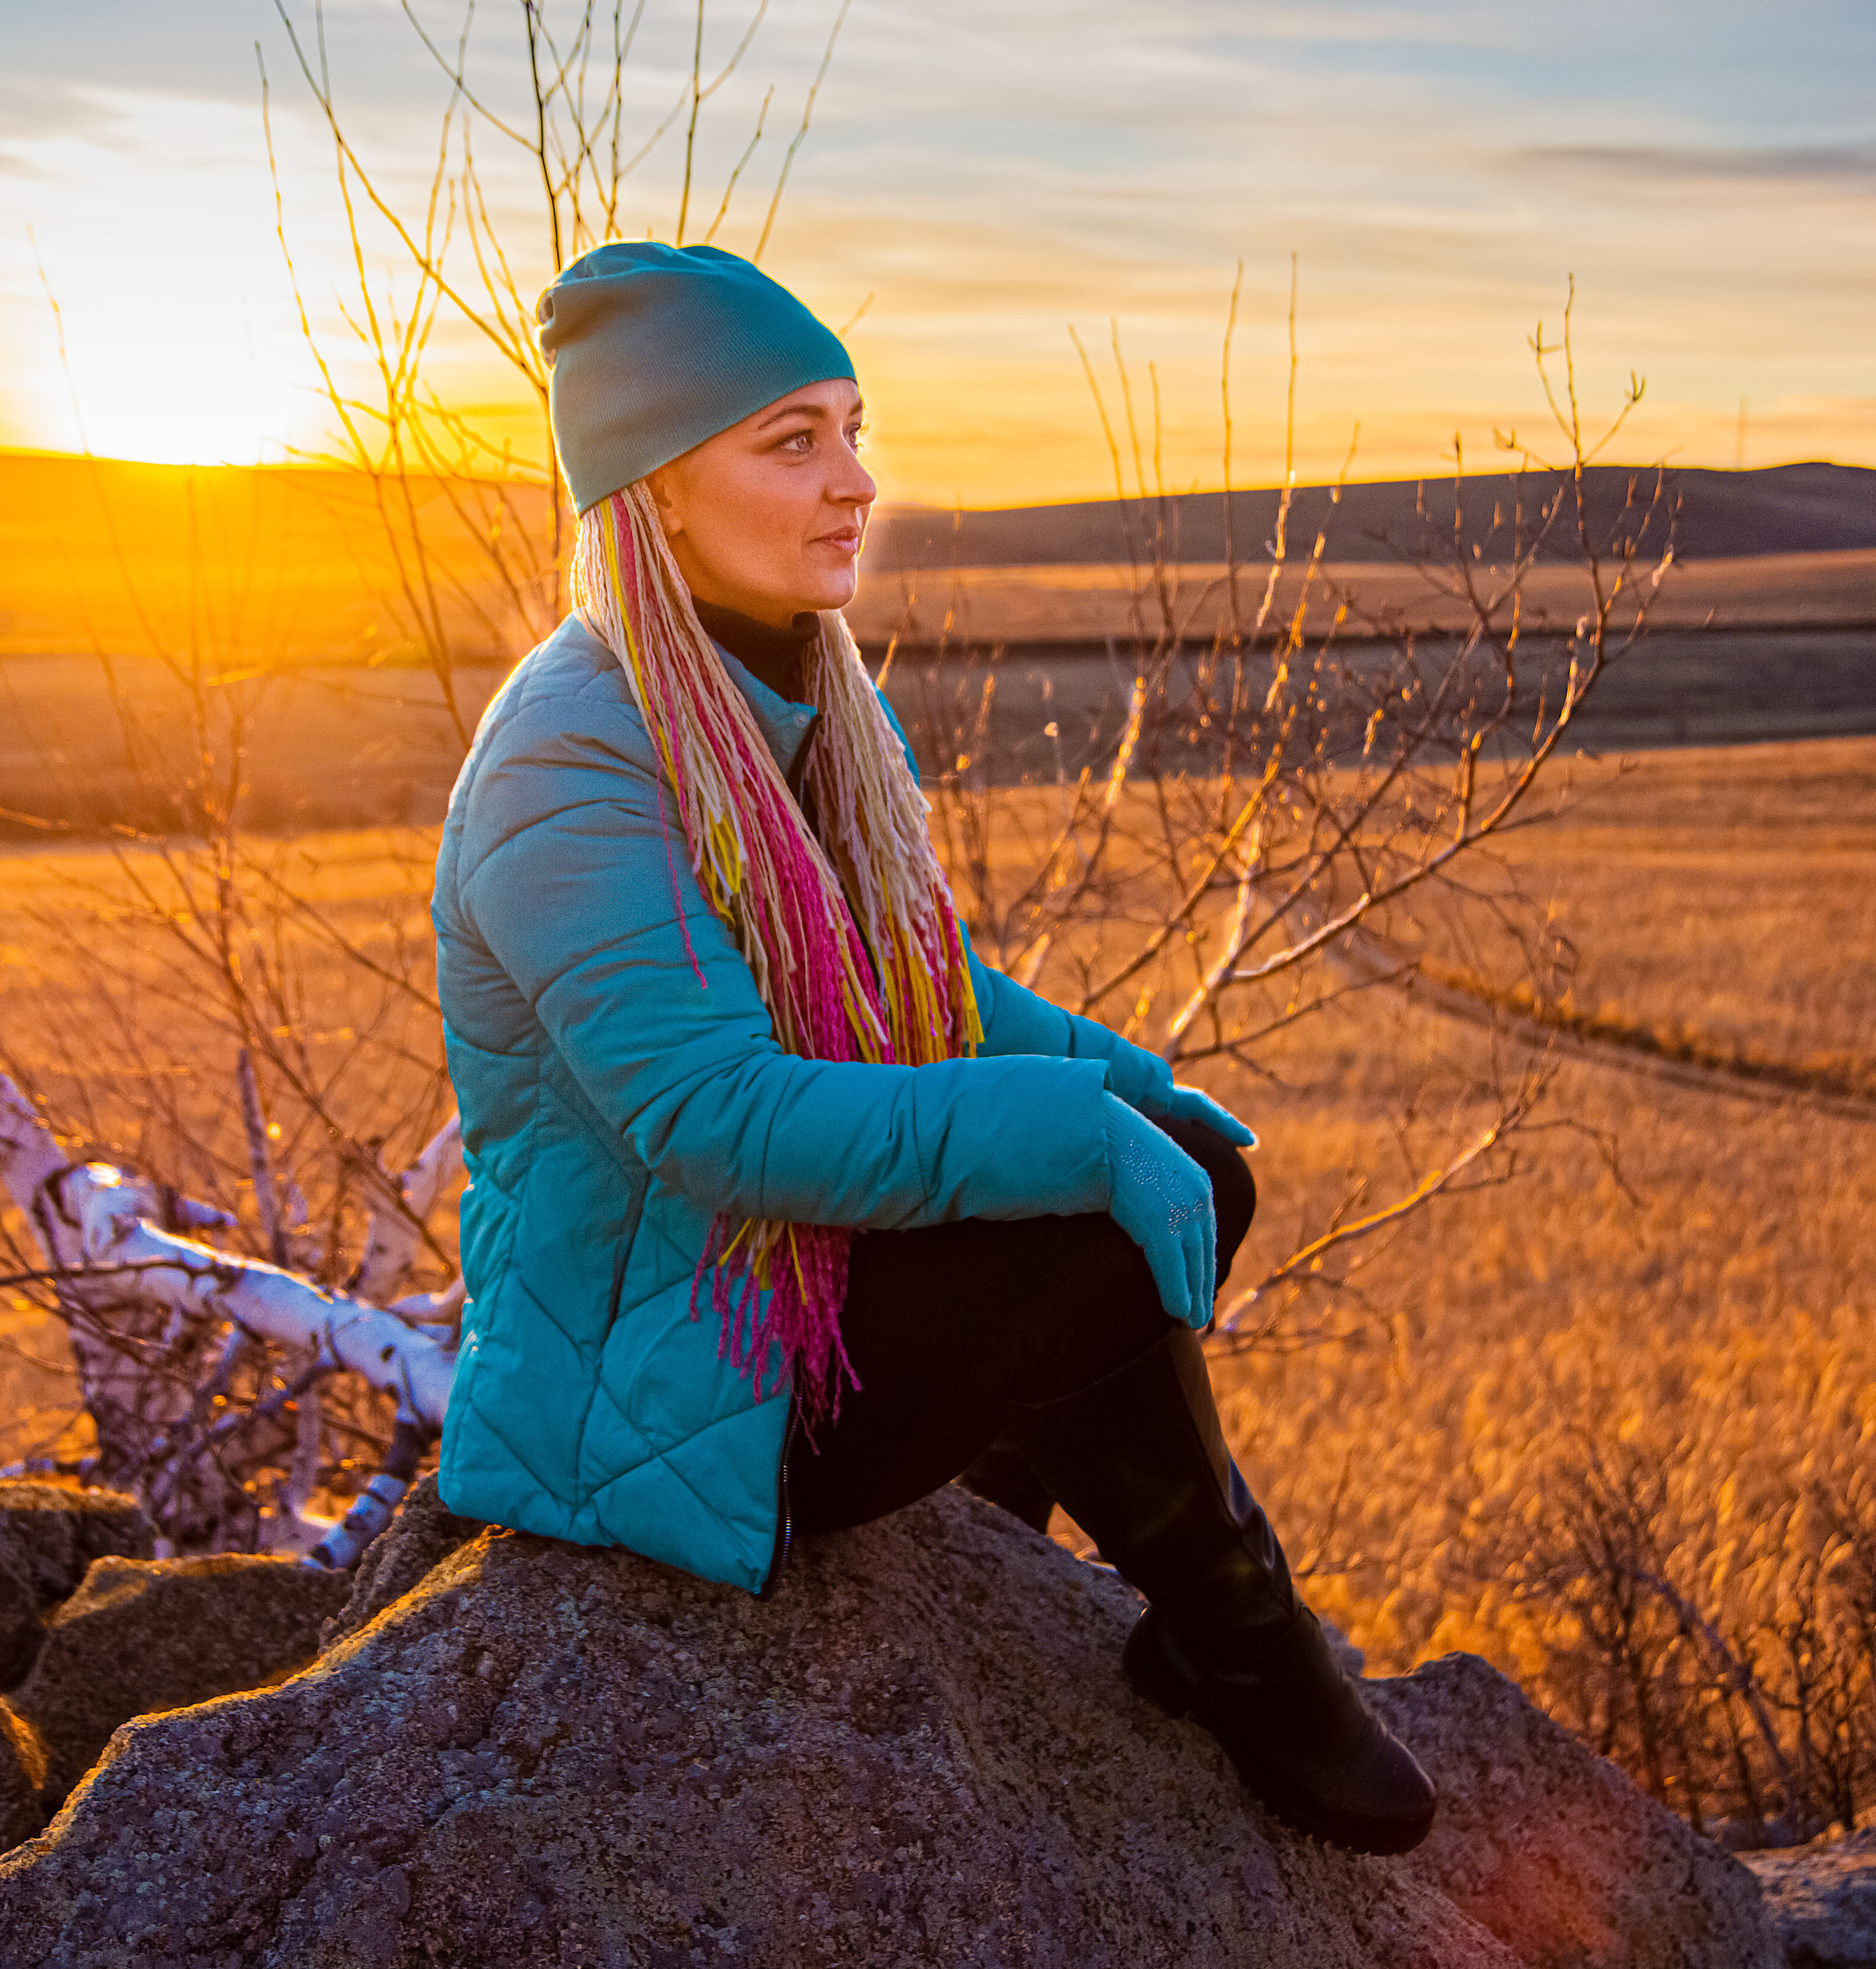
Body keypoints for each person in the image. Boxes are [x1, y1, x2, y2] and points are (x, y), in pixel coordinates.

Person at [432, 241, 1434, 1855]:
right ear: (655, 491)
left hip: (775, 1294)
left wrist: (1113, 1080)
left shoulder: (805, 691)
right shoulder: (569, 766)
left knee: (1185, 1169)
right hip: (661, 1381)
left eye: (850, 427)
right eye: (790, 441)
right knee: (1089, 1234)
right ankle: (1239, 1638)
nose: (853, 482)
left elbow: (919, 988)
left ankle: (1009, 1529)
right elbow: (714, 1119)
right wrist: (1072, 1138)